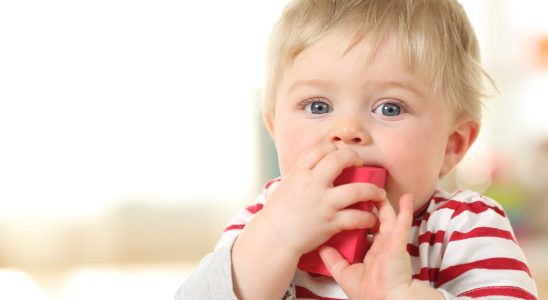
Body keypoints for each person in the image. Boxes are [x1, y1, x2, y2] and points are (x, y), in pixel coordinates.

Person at [176, 0, 538, 299]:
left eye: (390, 108)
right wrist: (278, 237)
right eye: (317, 106)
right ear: (274, 128)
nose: (346, 132)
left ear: (452, 145)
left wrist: (402, 295)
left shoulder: (463, 228)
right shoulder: (263, 218)